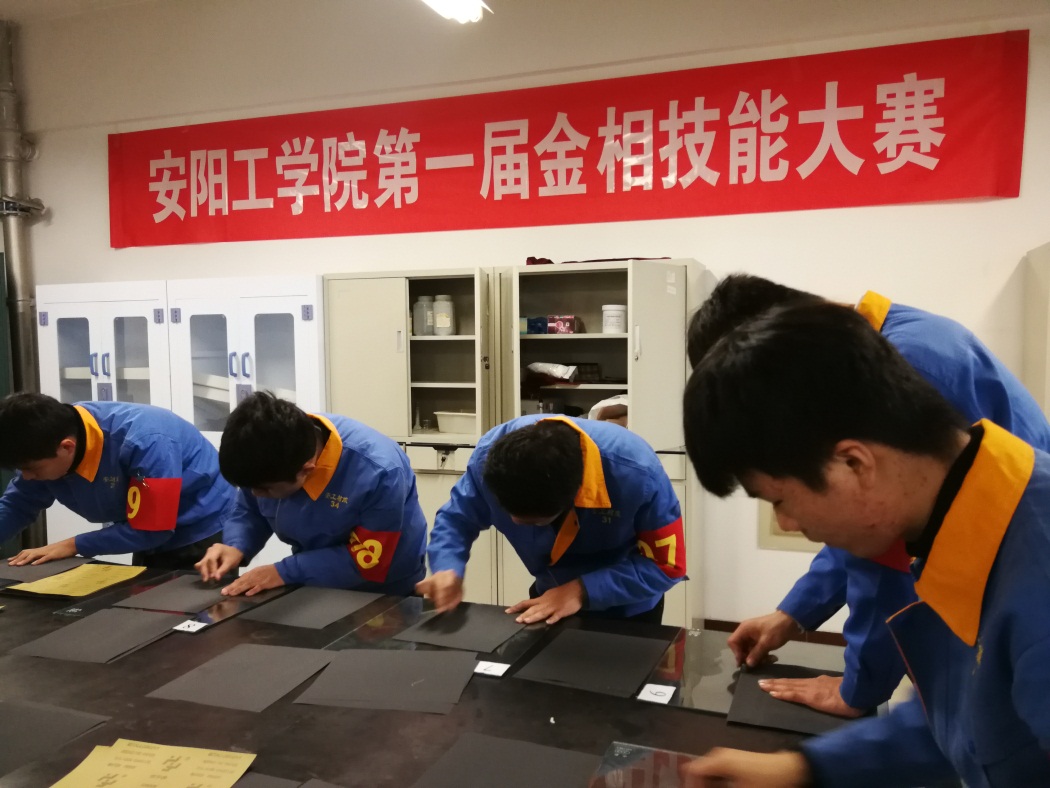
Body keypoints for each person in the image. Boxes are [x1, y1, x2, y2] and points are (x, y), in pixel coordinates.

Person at [680, 302, 1050, 787]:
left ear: (854, 464)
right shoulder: (956, 522)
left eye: (779, 500)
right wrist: (802, 769)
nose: (787, 523)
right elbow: (970, 714)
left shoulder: (1035, 592)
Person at [419, 415, 686, 624]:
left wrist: (580, 591)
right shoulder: (489, 459)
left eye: (535, 523)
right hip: (549, 598)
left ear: (575, 496)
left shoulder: (637, 473)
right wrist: (447, 567)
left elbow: (666, 565)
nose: (514, 522)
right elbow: (457, 519)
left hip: (628, 608)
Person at [196, 392, 427, 597]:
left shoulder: (379, 471)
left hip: (384, 588)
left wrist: (283, 572)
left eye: (264, 489)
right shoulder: (268, 449)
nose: (256, 494)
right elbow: (250, 510)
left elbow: (367, 559)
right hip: (314, 578)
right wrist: (236, 545)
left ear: (306, 470)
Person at [0, 393, 234, 568]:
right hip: (147, 528)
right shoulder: (45, 440)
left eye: (31, 469)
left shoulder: (146, 441)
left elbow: (152, 529)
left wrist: (72, 545)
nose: (27, 477)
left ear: (66, 447)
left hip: (202, 527)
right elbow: (17, 505)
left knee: (194, 612)